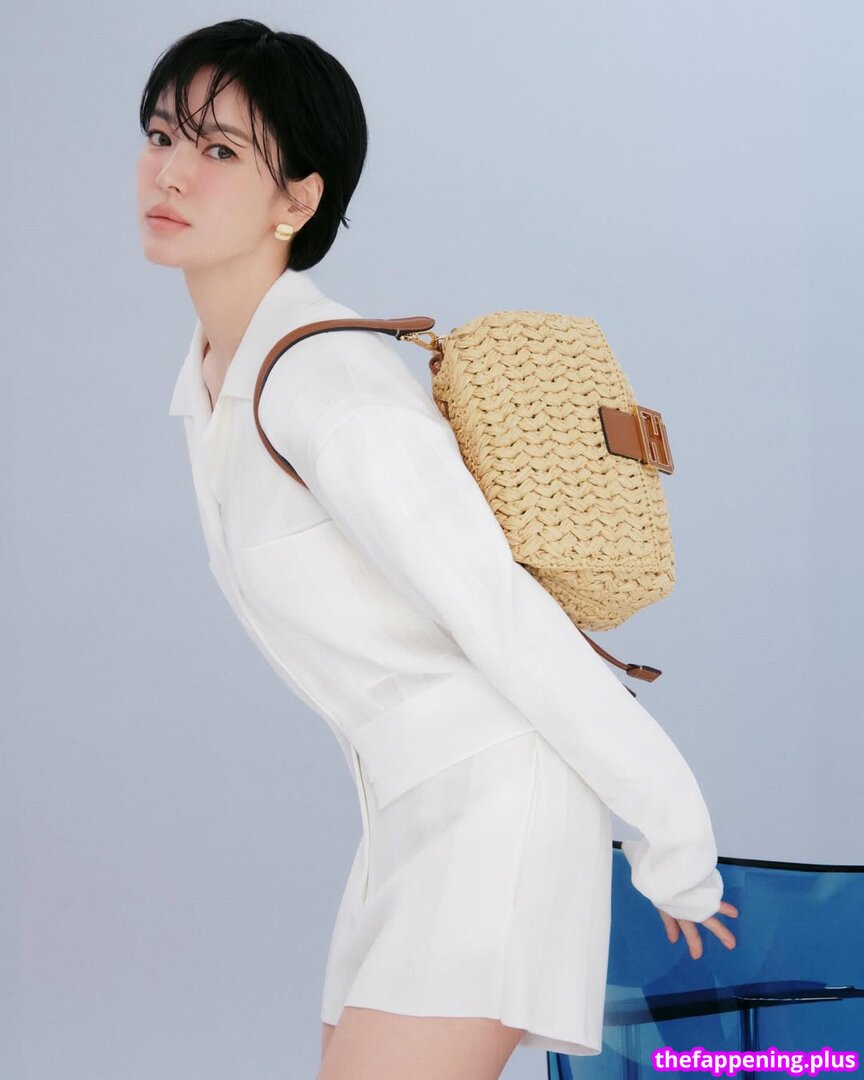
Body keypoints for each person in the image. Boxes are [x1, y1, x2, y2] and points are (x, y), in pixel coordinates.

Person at [137, 18, 738, 1080]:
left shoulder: (331, 390)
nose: (172, 172)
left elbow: (500, 614)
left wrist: (673, 837)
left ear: (298, 200)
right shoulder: (216, 386)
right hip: (405, 816)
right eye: (160, 136)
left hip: (494, 812)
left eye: (220, 149)